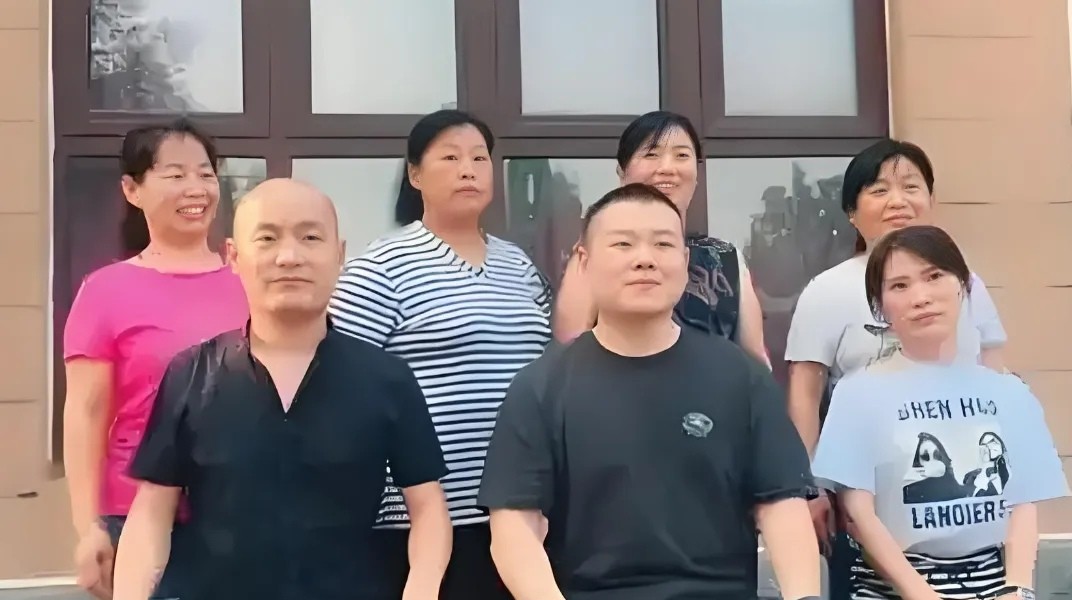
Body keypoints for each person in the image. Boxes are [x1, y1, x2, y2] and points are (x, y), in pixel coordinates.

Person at [111, 179, 452, 600]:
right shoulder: (192, 374)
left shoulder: (387, 378)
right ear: (234, 256)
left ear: (339, 255)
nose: (289, 257)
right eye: (268, 238)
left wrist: (422, 588)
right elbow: (152, 512)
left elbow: (427, 506)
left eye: (310, 238)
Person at [478, 183, 820, 600]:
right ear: (584, 261)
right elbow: (515, 525)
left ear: (685, 261)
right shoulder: (540, 386)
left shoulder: (740, 377)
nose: (645, 259)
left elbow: (782, 506)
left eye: (662, 244)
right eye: (623, 244)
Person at [329, 109, 552, 600]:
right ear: (415, 175)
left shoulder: (519, 267)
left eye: (479, 158)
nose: (468, 170)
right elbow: (339, 382)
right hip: (421, 524)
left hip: (521, 517)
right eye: (450, 158)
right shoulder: (380, 268)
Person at [784, 140, 1008, 598]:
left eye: (911, 187)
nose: (898, 201)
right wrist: (809, 487)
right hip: (867, 499)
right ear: (852, 212)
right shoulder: (827, 290)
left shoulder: (966, 283)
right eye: (879, 190)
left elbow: (994, 371)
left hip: (964, 501)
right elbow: (805, 392)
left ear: (931, 199)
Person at [811, 225, 1069, 599]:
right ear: (880, 306)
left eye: (934, 277)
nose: (921, 297)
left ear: (963, 286)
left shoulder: (1009, 391)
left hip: (994, 582)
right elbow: (858, 515)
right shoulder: (856, 393)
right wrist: (923, 595)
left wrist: (1017, 588)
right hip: (892, 586)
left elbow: (1023, 503)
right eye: (900, 286)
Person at [62, 120, 248, 599]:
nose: (196, 188)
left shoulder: (251, 280)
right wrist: (88, 528)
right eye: (175, 175)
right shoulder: (105, 291)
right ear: (132, 189)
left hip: (242, 514)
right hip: (135, 517)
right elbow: (85, 415)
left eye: (205, 174)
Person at [554, 111, 769, 366]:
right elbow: (570, 351)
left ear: (697, 173)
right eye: (651, 154)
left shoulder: (725, 258)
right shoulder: (596, 253)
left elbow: (755, 361)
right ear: (622, 171)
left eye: (682, 156)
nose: (667, 169)